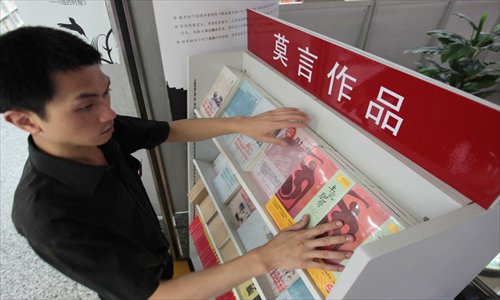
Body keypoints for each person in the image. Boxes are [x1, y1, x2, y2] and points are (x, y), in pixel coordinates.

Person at [0, 26, 354, 300]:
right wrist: (268, 258)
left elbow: (170, 131)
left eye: (105, 91)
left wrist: (240, 124)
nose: (109, 112)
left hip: (159, 256)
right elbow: (155, 295)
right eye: (85, 105)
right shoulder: (47, 219)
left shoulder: (100, 131)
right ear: (25, 121)